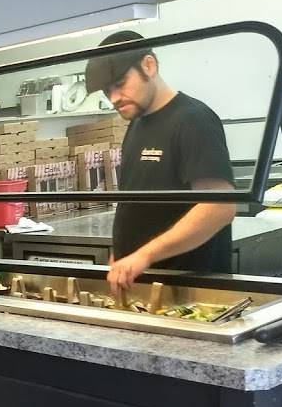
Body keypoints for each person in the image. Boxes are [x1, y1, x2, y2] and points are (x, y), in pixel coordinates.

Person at [84, 31, 236, 294]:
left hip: (189, 292)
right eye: (107, 91)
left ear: (149, 65)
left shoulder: (193, 120)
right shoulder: (137, 124)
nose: (114, 98)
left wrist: (144, 255)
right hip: (147, 288)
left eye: (120, 83)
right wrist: (124, 254)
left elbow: (219, 207)